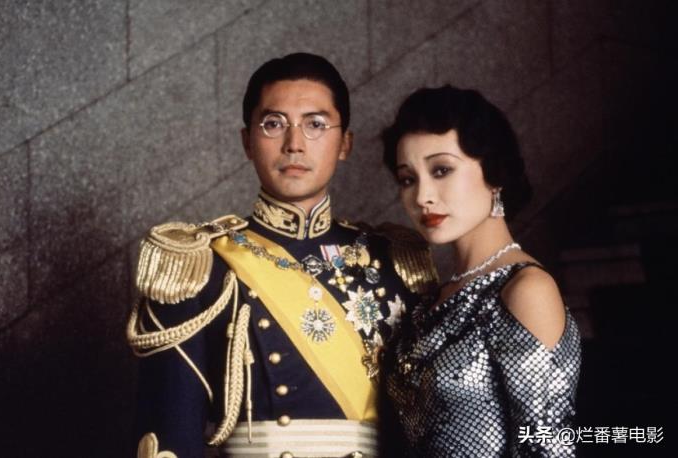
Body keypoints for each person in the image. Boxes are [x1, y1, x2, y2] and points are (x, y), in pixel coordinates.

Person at [127, 52, 437, 458]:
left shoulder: (394, 261)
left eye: (315, 124)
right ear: (247, 142)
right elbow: (170, 439)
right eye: (273, 124)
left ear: (345, 143)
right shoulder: (199, 265)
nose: (294, 144)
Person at [379, 85, 582, 457]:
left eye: (441, 170)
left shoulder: (525, 289)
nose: (422, 196)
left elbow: (547, 445)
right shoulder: (430, 301)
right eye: (408, 179)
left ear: (494, 173)